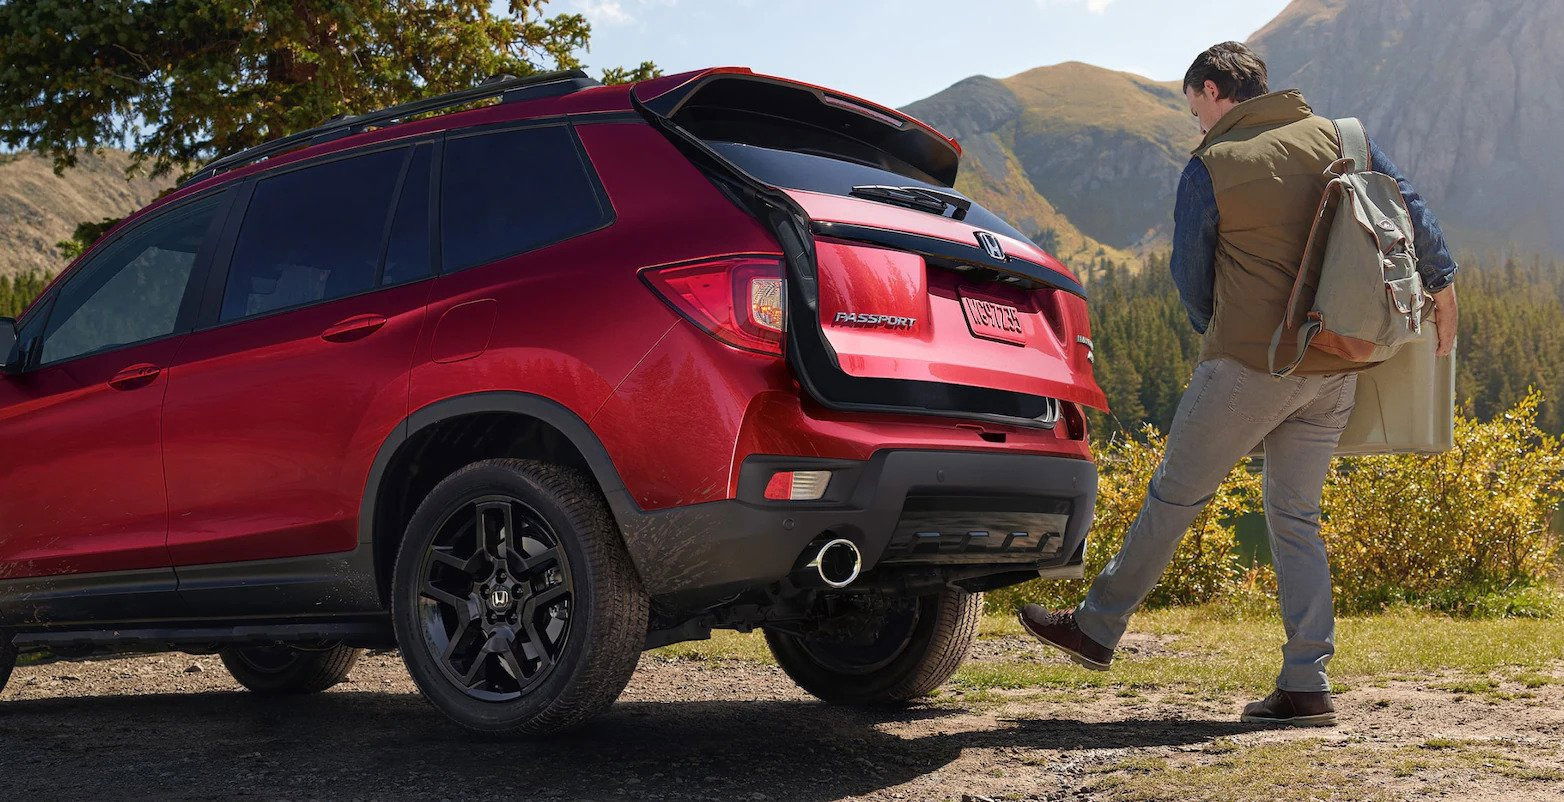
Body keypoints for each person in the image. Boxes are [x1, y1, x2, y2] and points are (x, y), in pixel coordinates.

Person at [1017, 41, 1459, 726]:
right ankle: (1306, 683)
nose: (1195, 120)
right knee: (1295, 519)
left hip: (1251, 364)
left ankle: (1096, 627)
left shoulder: (1213, 164)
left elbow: (1190, 276)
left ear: (1216, 89)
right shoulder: (1345, 136)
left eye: (1195, 104)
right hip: (1335, 365)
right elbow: (1409, 209)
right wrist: (1445, 281)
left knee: (1174, 496)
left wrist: (1215, 332)